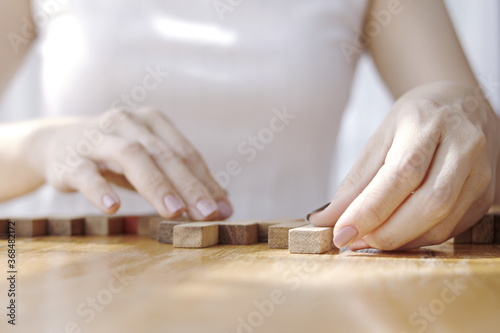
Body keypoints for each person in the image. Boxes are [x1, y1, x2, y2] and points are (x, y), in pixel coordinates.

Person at [0, 0, 498, 250]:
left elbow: (482, 155)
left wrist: (462, 111)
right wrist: (40, 146)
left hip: (296, 304)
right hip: (69, 301)